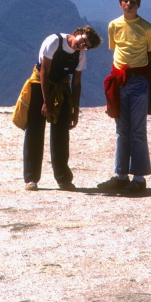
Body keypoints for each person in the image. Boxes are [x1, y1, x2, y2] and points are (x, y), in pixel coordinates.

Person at [22, 26, 102, 191]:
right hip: (40, 85)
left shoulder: (80, 55)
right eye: (83, 40)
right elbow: (44, 71)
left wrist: (75, 109)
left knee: (61, 133)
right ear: (77, 33)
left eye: (87, 45)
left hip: (62, 87)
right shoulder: (54, 41)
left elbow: (77, 82)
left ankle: (63, 179)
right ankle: (31, 178)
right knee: (35, 130)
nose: (83, 45)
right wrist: (46, 102)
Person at [99, 0, 151, 192]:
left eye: (133, 0)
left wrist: (144, 79)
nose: (129, 3)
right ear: (120, 4)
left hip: (137, 81)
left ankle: (139, 179)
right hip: (119, 80)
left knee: (137, 130)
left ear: (139, 5)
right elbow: (116, 51)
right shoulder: (113, 25)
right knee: (122, 131)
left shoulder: (147, 28)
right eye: (125, 0)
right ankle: (121, 175)